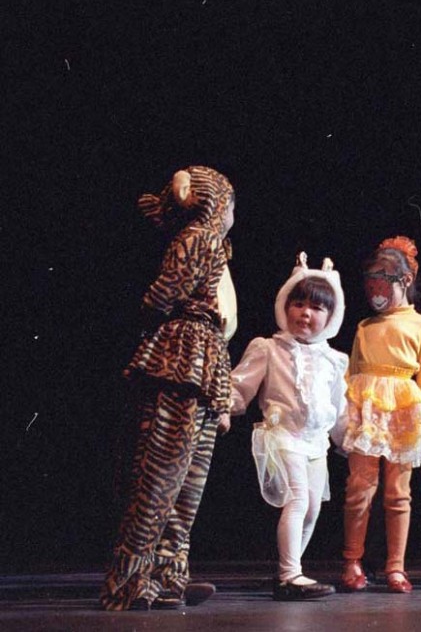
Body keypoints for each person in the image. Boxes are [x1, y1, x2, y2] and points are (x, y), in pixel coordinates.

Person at [100, 166, 237, 611]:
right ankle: (130, 579)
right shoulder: (200, 236)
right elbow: (160, 295)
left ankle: (166, 574)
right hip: (182, 356)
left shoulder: (211, 241)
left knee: (186, 480)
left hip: (203, 356)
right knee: (162, 474)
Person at [229, 253, 347, 600]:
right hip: (281, 434)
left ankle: (291, 568)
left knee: (313, 506)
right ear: (285, 306)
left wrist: (349, 441)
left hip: (316, 441)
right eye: (297, 304)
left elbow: (339, 407)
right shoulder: (269, 348)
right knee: (297, 500)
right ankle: (289, 575)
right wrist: (224, 406)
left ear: (330, 316)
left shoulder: (334, 360)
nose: (305, 313)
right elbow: (241, 386)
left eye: (316, 308)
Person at [335, 236, 421, 594]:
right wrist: (345, 416)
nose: (375, 292)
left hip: (404, 409)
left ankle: (396, 566)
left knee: (398, 492)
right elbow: (352, 372)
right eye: (370, 283)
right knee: (359, 488)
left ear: (405, 282)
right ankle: (352, 560)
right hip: (366, 409)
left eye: (383, 282)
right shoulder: (364, 327)